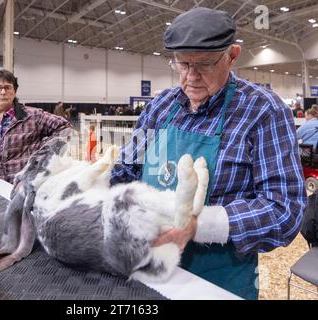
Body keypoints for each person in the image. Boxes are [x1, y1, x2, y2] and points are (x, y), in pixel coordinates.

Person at [109, 7, 307, 300]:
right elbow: (123, 172)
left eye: (203, 64)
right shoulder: (160, 106)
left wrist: (197, 226)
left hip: (218, 282)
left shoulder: (263, 111)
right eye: (182, 63)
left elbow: (284, 210)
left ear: (232, 55)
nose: (191, 76)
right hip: (145, 269)